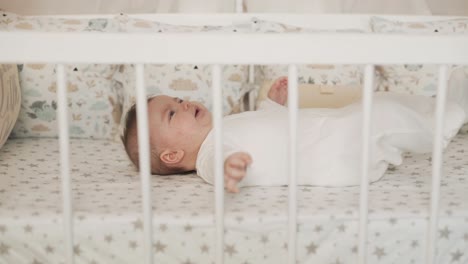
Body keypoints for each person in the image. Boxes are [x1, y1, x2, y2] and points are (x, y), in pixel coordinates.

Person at [121, 77, 466, 193]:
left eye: (178, 99)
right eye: (171, 113)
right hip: (331, 155)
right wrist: (232, 166)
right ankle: (445, 121)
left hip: (331, 133)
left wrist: (273, 104)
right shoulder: (210, 155)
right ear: (171, 156)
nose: (184, 104)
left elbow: (271, 130)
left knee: (379, 106)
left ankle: (443, 106)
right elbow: (222, 163)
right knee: (382, 115)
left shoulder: (227, 124)